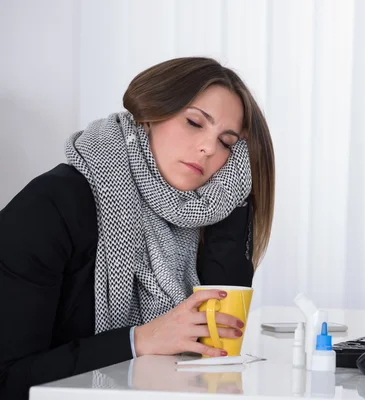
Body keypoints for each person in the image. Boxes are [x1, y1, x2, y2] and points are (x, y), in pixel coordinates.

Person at [0, 57, 275, 399]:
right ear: (149, 116)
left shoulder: (201, 214)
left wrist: (230, 195)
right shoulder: (51, 206)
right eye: (194, 122)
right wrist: (140, 340)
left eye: (227, 143)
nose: (208, 148)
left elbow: (217, 346)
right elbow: (8, 378)